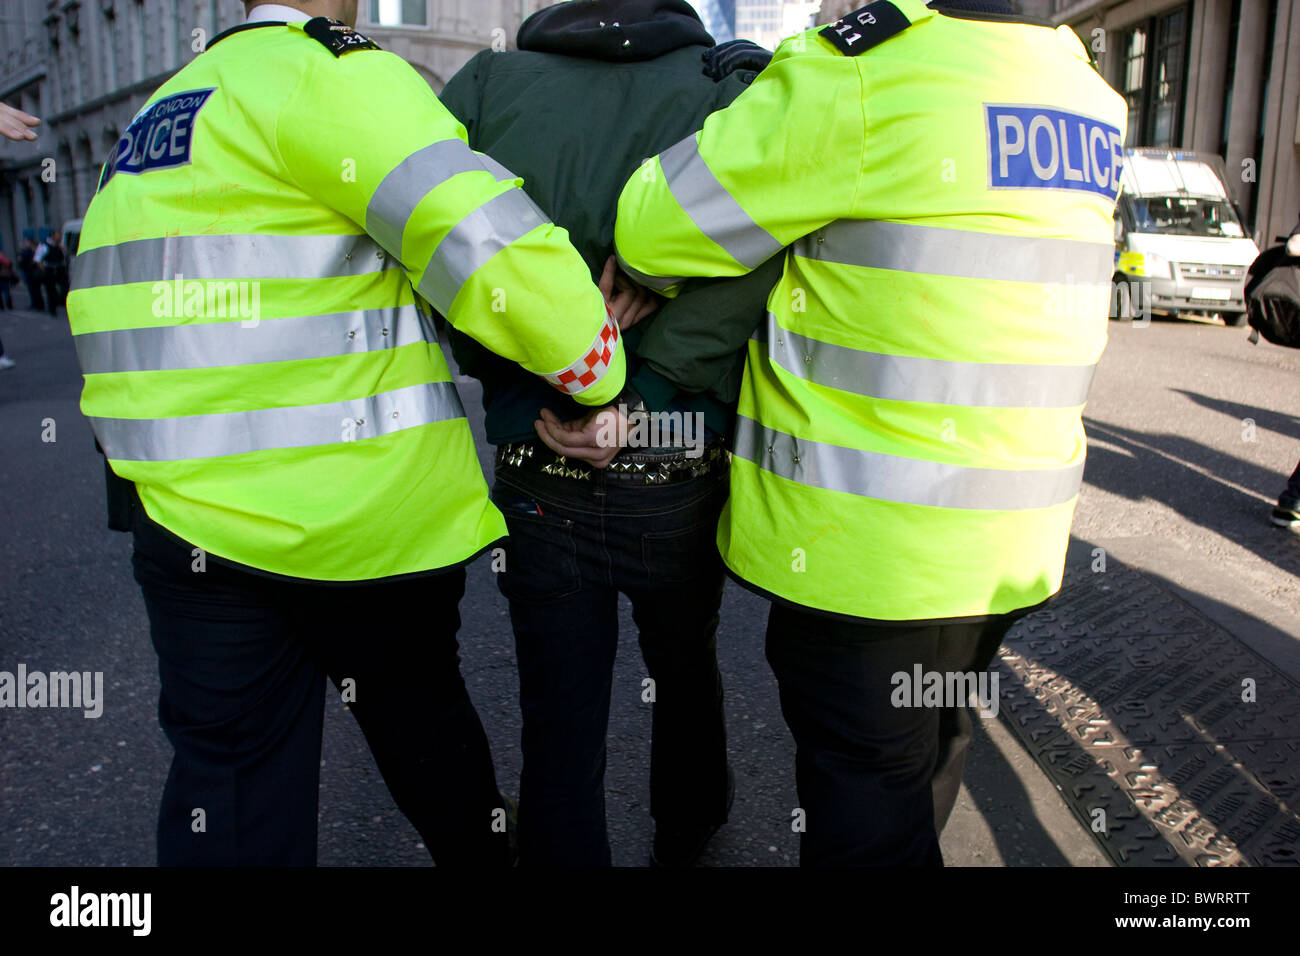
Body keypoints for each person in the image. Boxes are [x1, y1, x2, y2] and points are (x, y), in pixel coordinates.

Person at [67, 0, 633, 867]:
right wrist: (593, 373)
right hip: (356, 520)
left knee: (231, 788)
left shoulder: (165, 109)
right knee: (430, 750)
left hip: (182, 520)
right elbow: (490, 246)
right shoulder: (329, 76)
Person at [601, 0, 1128, 865]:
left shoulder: (862, 73)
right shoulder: (1084, 91)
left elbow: (655, 226)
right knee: (930, 747)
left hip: (868, 552)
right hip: (1010, 538)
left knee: (866, 795)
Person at [439, 0, 782, 867]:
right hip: (676, 449)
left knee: (559, 713)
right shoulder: (730, 92)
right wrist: (648, 393)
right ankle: (689, 825)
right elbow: (757, 264)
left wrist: (556, 379)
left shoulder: (488, 85)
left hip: (538, 442)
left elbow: (441, 254)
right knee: (683, 659)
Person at [35, 230, 67, 315]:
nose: (59, 237)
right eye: (58, 235)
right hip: (50, 270)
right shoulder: (44, 246)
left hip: (60, 269)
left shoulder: (59, 246)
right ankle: (52, 309)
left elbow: (64, 257)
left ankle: (62, 302)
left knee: (65, 287)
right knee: (51, 290)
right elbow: (38, 260)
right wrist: (44, 270)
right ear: (52, 236)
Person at [18, 239, 43, 312]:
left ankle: (37, 305)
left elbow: (21, 262)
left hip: (31, 273)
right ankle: (38, 304)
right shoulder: (32, 251)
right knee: (35, 290)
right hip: (32, 273)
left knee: (34, 290)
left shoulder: (28, 252)